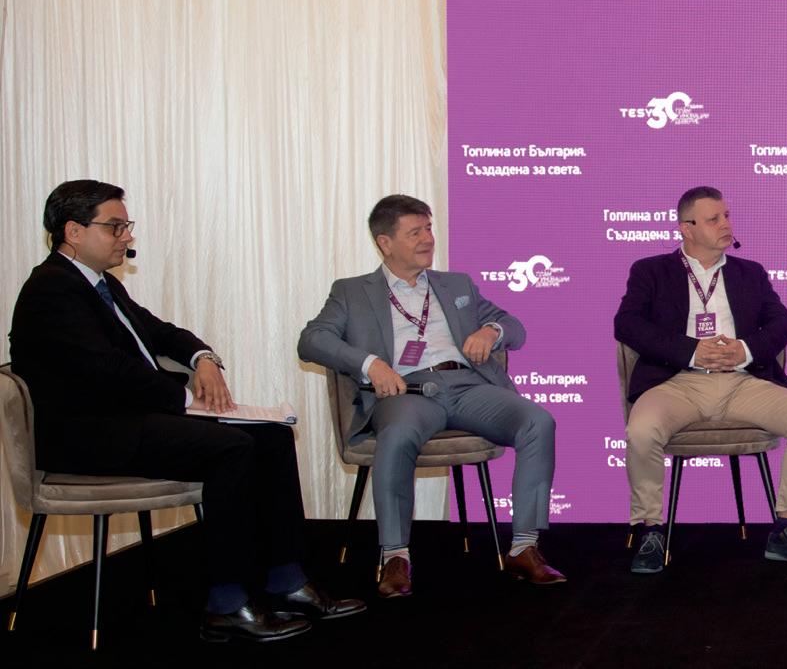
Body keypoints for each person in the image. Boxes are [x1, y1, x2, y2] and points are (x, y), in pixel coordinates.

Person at [10, 180, 362, 643]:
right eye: (115, 226)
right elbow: (106, 370)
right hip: (86, 435)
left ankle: (287, 579)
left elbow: (160, 333)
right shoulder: (51, 289)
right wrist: (186, 399)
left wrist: (203, 359)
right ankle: (227, 604)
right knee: (231, 448)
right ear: (73, 231)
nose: (126, 236)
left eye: (126, 226)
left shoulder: (99, 284)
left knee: (272, 435)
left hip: (125, 420)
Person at [298, 194, 564, 597]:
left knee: (537, 421)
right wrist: (371, 364)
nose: (427, 239)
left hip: (467, 386)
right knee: (397, 435)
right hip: (407, 392)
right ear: (385, 243)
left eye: (429, 229)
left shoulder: (456, 284)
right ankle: (395, 555)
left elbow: (514, 326)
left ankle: (524, 547)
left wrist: (491, 331)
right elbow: (312, 340)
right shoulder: (351, 292)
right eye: (415, 232)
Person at [616, 186, 787, 571]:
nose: (725, 224)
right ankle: (651, 530)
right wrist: (690, 351)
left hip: (741, 382)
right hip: (677, 383)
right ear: (686, 228)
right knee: (642, 430)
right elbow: (627, 324)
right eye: (714, 219)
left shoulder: (750, 273)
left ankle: (786, 528)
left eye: (727, 216)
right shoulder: (650, 271)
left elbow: (784, 324)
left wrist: (744, 350)